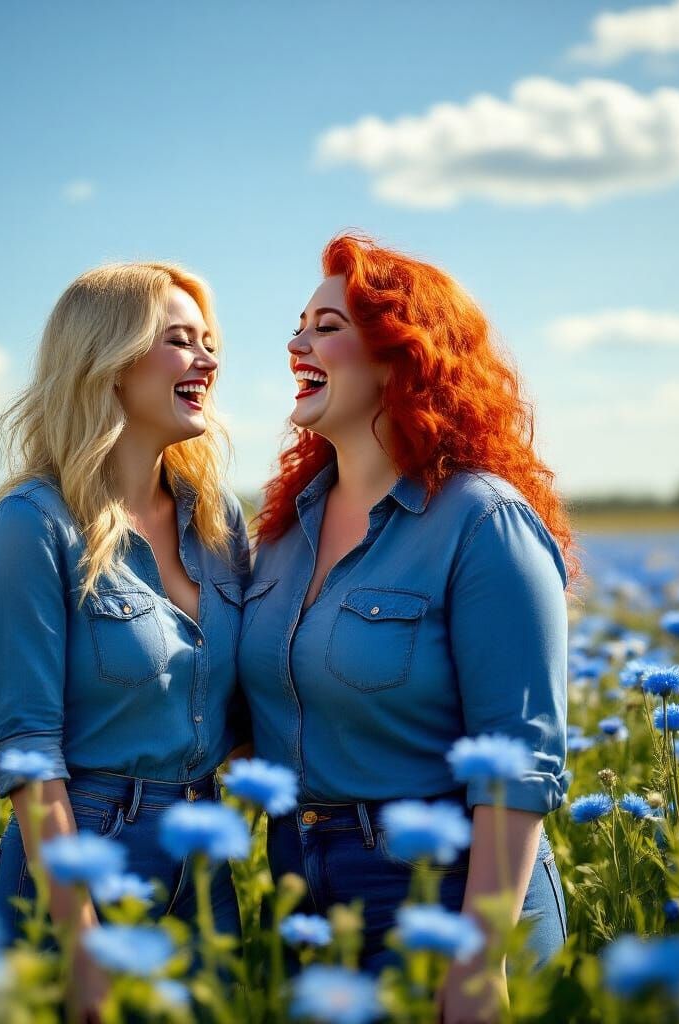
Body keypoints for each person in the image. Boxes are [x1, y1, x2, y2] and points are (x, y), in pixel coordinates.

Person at [236, 232, 576, 1023]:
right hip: (302, 891)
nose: (296, 344)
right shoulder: (284, 529)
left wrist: (479, 957)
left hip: (445, 894)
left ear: (402, 356)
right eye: (298, 326)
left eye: (326, 327)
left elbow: (520, 764)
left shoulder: (481, 520)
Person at [0, 261, 250, 1022]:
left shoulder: (216, 518)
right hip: (83, 857)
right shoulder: (32, 527)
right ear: (110, 363)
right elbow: (29, 755)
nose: (206, 360)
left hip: (204, 862)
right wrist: (80, 943)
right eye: (179, 340)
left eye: (209, 342)